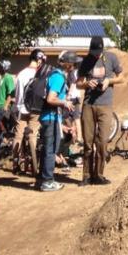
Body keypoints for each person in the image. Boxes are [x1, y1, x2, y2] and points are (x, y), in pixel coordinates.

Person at [77, 35, 123, 186]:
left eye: (98, 52)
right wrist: (86, 84)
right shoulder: (86, 60)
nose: (96, 54)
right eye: (93, 51)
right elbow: (78, 83)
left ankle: (99, 174)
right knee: (88, 142)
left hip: (105, 105)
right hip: (89, 105)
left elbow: (122, 78)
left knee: (102, 141)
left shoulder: (111, 58)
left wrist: (108, 81)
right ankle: (86, 175)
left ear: (102, 49)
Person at [37, 59, 73, 192]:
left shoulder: (53, 75)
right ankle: (47, 181)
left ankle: (43, 179)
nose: (74, 67)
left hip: (50, 117)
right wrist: (64, 103)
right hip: (51, 117)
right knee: (51, 150)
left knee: (48, 148)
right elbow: (51, 99)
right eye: (73, 64)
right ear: (68, 65)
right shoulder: (58, 77)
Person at [13, 49, 47, 176]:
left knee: (18, 136)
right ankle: (34, 166)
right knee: (33, 135)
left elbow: (17, 95)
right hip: (36, 110)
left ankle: (15, 165)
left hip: (22, 109)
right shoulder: (41, 74)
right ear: (40, 60)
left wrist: (17, 107)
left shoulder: (21, 74)